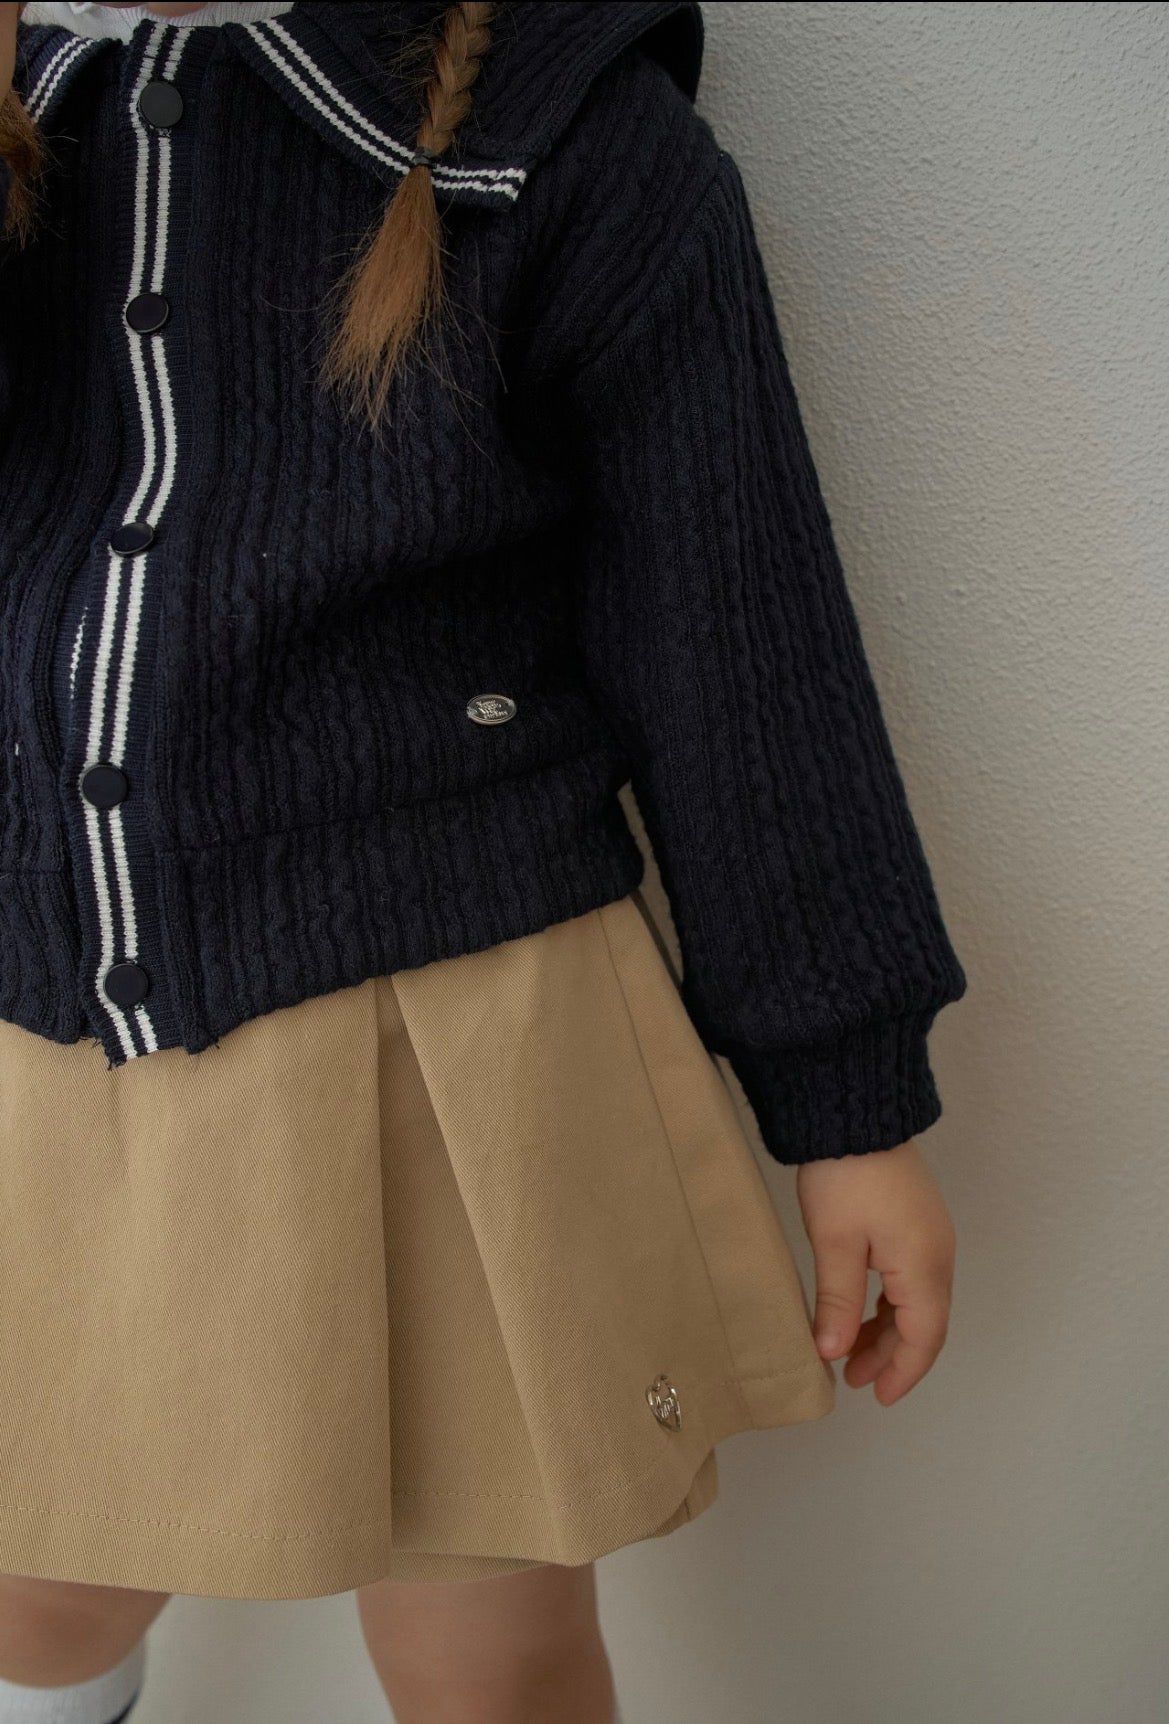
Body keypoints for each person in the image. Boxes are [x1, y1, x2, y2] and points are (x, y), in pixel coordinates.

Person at [0, 1, 968, 1720]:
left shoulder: (565, 140)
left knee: (488, 1647)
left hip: (465, 1050)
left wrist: (850, 1100)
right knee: (37, 1593)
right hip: (41, 1037)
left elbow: (734, 636)